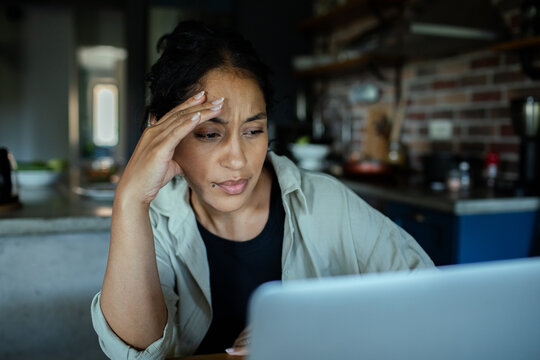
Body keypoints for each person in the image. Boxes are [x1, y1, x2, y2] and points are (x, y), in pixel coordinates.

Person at [90, 20, 434, 359]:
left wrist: (318, 327)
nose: (238, 160)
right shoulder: (156, 221)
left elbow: (430, 300)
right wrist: (130, 199)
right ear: (164, 133)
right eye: (210, 134)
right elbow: (135, 352)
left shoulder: (325, 202)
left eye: (253, 131)